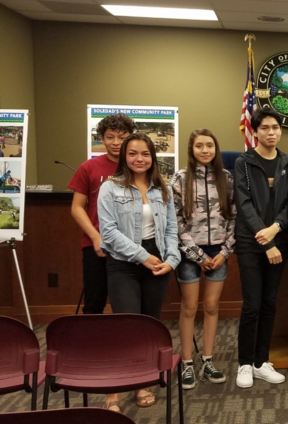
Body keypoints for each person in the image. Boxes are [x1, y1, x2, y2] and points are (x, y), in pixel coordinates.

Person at [97, 133, 180, 411]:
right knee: (126, 326)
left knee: (148, 326)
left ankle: (141, 383)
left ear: (152, 157)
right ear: (124, 157)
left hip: (158, 262)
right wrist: (143, 256)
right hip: (124, 263)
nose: (139, 159)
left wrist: (172, 260)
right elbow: (107, 232)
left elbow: (171, 230)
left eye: (145, 153)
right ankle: (115, 391)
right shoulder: (111, 187)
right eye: (133, 153)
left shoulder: (162, 188)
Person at [234, 108, 288, 389]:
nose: (271, 132)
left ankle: (261, 362)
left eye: (276, 128)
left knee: (270, 303)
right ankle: (245, 363)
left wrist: (276, 229)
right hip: (250, 243)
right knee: (252, 304)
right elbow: (244, 204)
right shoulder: (244, 163)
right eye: (266, 128)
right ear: (255, 131)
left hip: (278, 241)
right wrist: (267, 238)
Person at [171, 129, 235, 390]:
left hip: (218, 251)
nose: (205, 150)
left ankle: (207, 360)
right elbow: (174, 221)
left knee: (211, 306)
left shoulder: (227, 178)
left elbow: (234, 218)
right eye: (200, 146)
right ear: (192, 149)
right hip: (189, 253)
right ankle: (186, 362)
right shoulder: (180, 178)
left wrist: (224, 252)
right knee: (189, 307)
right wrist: (196, 255)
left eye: (210, 145)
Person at [68, 113, 136, 315]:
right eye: (110, 137)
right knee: (94, 302)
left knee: (127, 303)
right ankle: (92, 345)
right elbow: (77, 207)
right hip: (95, 244)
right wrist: (96, 237)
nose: (116, 143)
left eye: (122, 138)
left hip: (131, 243)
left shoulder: (138, 164)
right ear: (102, 138)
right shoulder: (89, 167)